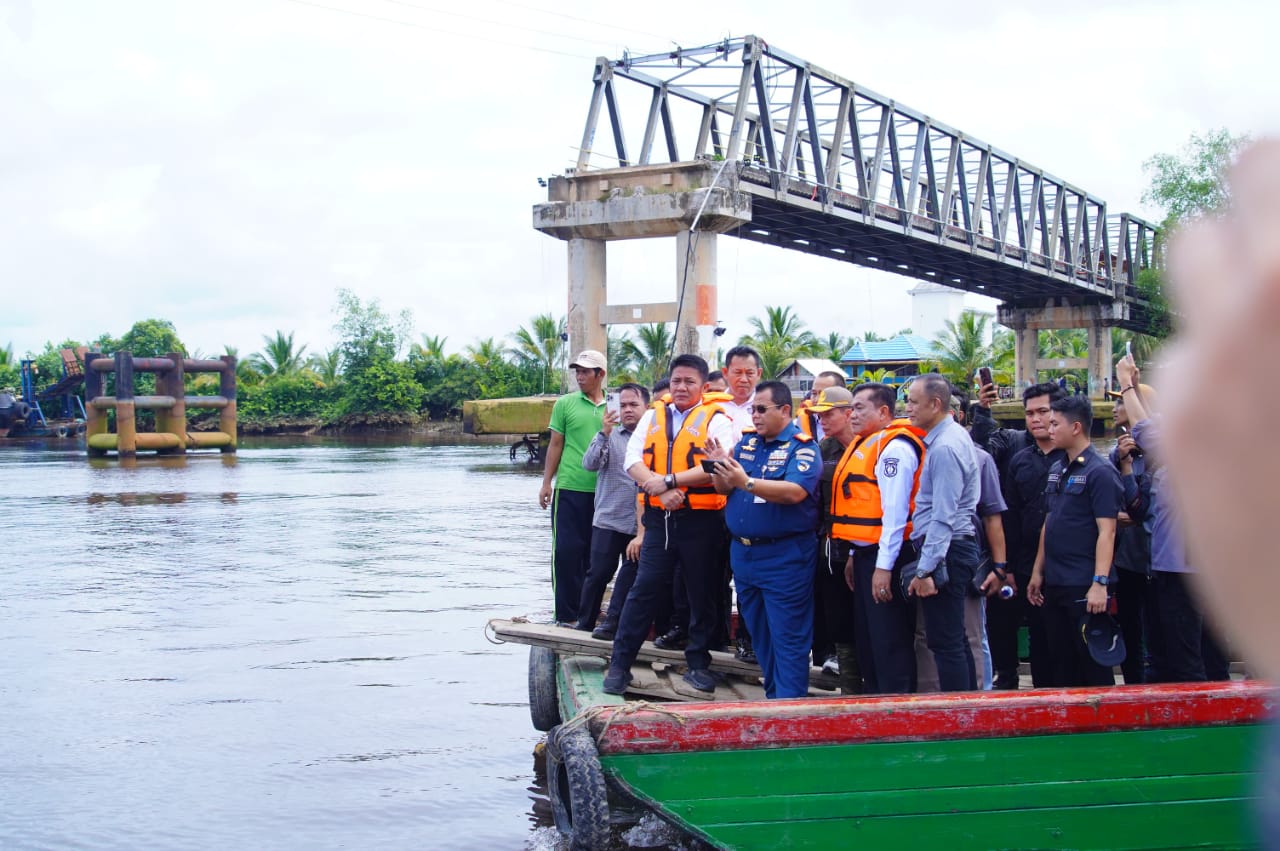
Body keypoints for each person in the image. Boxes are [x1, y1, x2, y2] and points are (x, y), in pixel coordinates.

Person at [602, 354, 735, 695]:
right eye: (676, 380)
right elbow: (632, 459)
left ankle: (698, 663)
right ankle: (619, 665)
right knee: (643, 590)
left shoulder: (718, 420)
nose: (681, 387)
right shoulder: (652, 416)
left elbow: (716, 465)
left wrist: (671, 481)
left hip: (702, 521)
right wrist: (660, 489)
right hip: (660, 520)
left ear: (703, 386)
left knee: (701, 593)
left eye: (690, 381)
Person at [1118, 355, 1229, 683]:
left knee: (1186, 657)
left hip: (1184, 569)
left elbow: (1146, 432)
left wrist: (1126, 386)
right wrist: (1136, 388)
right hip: (1183, 567)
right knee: (1193, 652)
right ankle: (1214, 706)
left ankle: (1200, 712)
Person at [708, 380, 821, 699]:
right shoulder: (746, 444)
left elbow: (795, 492)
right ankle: (775, 697)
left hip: (784, 555)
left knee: (788, 635)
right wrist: (719, 467)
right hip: (744, 554)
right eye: (752, 410)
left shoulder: (802, 447)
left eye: (761, 409)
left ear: (785, 410)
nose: (754, 416)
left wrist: (746, 481)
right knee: (760, 634)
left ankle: (790, 706)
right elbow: (723, 489)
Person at [831, 382, 923, 695]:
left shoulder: (894, 448)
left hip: (889, 557)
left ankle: (896, 707)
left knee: (889, 641)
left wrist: (883, 567)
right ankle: (873, 704)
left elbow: (894, 515)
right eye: (850, 409)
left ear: (883, 412)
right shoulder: (866, 444)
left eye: (859, 408)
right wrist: (854, 555)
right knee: (868, 641)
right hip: (865, 554)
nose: (852, 415)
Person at [973, 380, 1066, 689]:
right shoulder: (1015, 448)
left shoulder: (1072, 454)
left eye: (1043, 412)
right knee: (1003, 621)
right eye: (1030, 413)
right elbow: (979, 450)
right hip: (1018, 559)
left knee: (1050, 635)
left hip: (1062, 562)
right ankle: (1006, 678)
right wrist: (1005, 566)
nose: (1036, 419)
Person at [1027, 396, 1123, 687]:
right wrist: (1037, 571)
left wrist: (1099, 583)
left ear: (1076, 427)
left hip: (1084, 581)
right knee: (1061, 660)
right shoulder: (1058, 468)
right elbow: (1049, 521)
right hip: (1056, 580)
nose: (1049, 429)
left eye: (1055, 424)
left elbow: (1108, 531)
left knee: (1091, 662)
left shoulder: (1099, 472)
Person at [904, 374, 980, 691]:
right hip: (951, 546)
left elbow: (943, 516)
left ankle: (959, 711)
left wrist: (925, 569)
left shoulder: (946, 447)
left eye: (913, 402)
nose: (907, 408)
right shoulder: (949, 437)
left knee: (945, 641)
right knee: (953, 637)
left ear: (935, 404)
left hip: (948, 549)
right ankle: (968, 705)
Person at [538, 350, 607, 624]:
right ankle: (565, 615)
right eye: (577, 371)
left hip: (605, 493)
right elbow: (556, 444)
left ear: (600, 374)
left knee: (596, 557)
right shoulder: (565, 404)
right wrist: (547, 482)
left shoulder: (615, 406)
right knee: (566, 553)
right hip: (569, 488)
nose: (579, 377)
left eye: (585, 372)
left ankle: (588, 614)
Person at [575, 382, 649, 636]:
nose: (627, 410)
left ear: (647, 407)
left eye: (633, 405)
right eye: (623, 405)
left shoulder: (654, 439)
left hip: (640, 524)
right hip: (609, 519)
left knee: (633, 577)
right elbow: (589, 464)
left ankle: (618, 625)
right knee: (598, 574)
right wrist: (604, 433)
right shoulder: (611, 436)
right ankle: (584, 624)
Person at [807, 385, 862, 693]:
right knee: (837, 616)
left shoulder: (872, 445)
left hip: (867, 544)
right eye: (819, 416)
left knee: (868, 617)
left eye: (828, 414)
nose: (823, 421)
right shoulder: (824, 449)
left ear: (848, 413)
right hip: (831, 545)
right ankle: (849, 689)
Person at [1107, 383, 1157, 683]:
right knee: (1128, 625)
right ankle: (1133, 684)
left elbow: (1144, 509)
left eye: (1122, 403)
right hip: (1126, 558)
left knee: (1158, 627)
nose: (1115, 409)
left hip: (1156, 559)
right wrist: (1119, 459)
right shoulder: (1116, 452)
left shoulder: (1159, 454)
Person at [796, 370, 847, 441]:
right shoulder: (800, 421)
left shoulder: (855, 426)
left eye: (823, 394)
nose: (817, 399)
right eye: (814, 393)